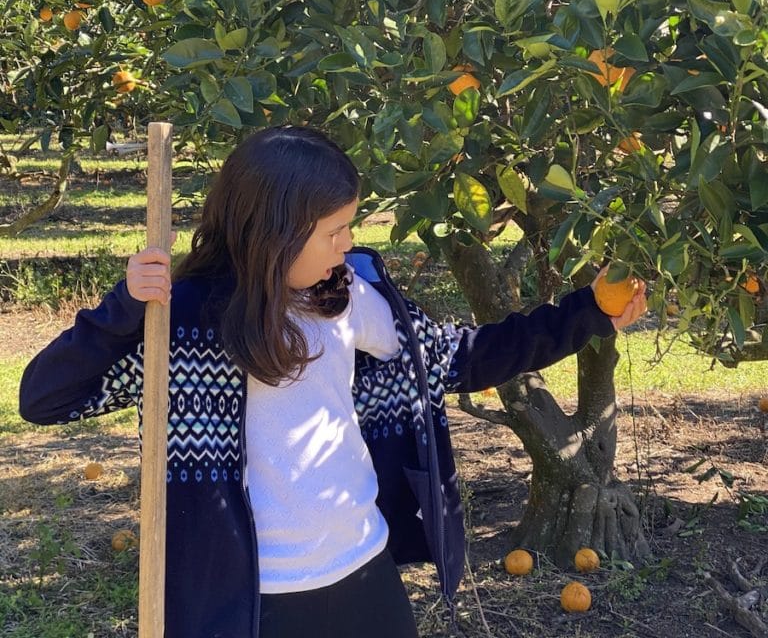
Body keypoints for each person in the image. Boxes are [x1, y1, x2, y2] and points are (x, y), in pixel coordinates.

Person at [19, 125, 647, 638]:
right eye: (334, 231)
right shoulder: (181, 324)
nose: (348, 246)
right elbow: (45, 399)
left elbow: (462, 356)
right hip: (250, 598)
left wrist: (586, 311)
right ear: (275, 234)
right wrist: (120, 312)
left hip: (361, 571)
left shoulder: (343, 300)